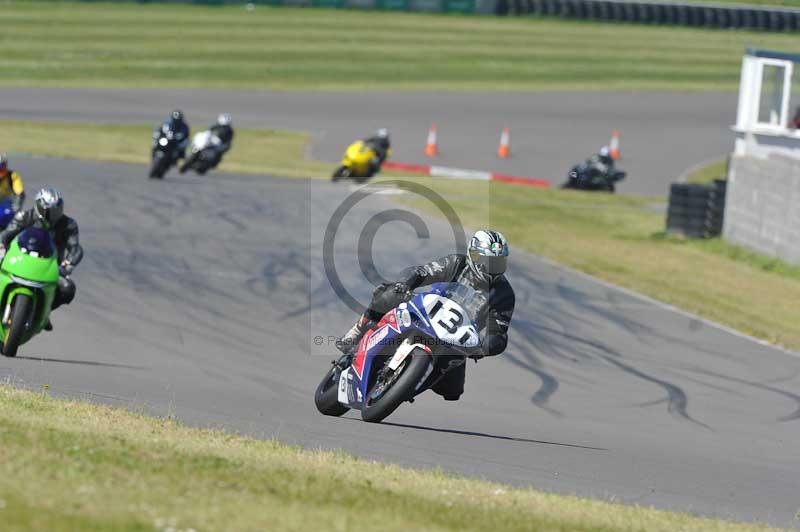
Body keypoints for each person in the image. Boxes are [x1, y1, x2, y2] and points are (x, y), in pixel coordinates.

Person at [336, 230, 515, 401]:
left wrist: (486, 346)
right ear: (473, 255)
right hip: (425, 314)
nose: (491, 268)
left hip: (455, 341)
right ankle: (357, 331)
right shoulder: (457, 263)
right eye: (487, 261)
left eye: (497, 263)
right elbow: (423, 271)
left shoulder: (504, 294)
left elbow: (498, 330)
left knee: (452, 391)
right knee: (389, 294)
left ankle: (404, 384)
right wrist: (406, 284)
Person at [0, 188, 83, 330]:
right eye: (49, 211)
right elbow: (6, 235)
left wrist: (68, 263)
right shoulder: (24, 216)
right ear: (39, 206)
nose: (54, 215)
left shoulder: (69, 224)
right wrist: (2, 247)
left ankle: (46, 311)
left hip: (50, 267)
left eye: (57, 210)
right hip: (20, 259)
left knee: (68, 288)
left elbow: (75, 248)